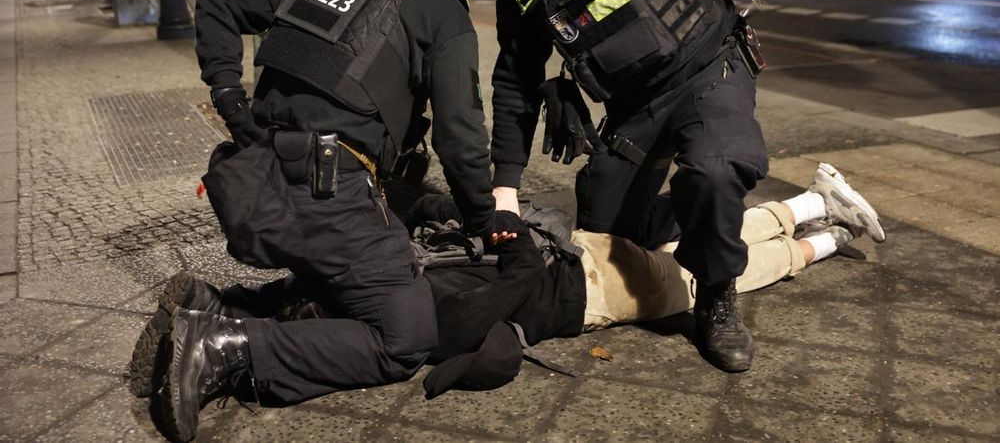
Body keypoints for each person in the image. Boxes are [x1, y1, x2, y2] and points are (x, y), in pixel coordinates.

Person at [127, 0, 516, 442]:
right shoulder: (439, 3)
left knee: (340, 287)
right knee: (404, 336)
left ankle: (219, 305)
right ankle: (226, 347)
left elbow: (215, 1)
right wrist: (483, 217)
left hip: (259, 182)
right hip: (329, 191)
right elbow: (460, 136)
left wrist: (230, 100)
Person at [130, 161, 887, 403]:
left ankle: (823, 218)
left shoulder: (419, 320)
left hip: (592, 283)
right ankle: (821, 209)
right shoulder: (400, 290)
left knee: (727, 273)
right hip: (584, 264)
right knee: (717, 255)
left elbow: (501, 312)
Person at [468, 0, 815, 372]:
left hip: (707, 68)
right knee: (608, 244)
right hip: (637, 107)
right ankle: (701, 215)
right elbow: (515, 84)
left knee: (715, 169)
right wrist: (504, 186)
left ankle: (717, 292)